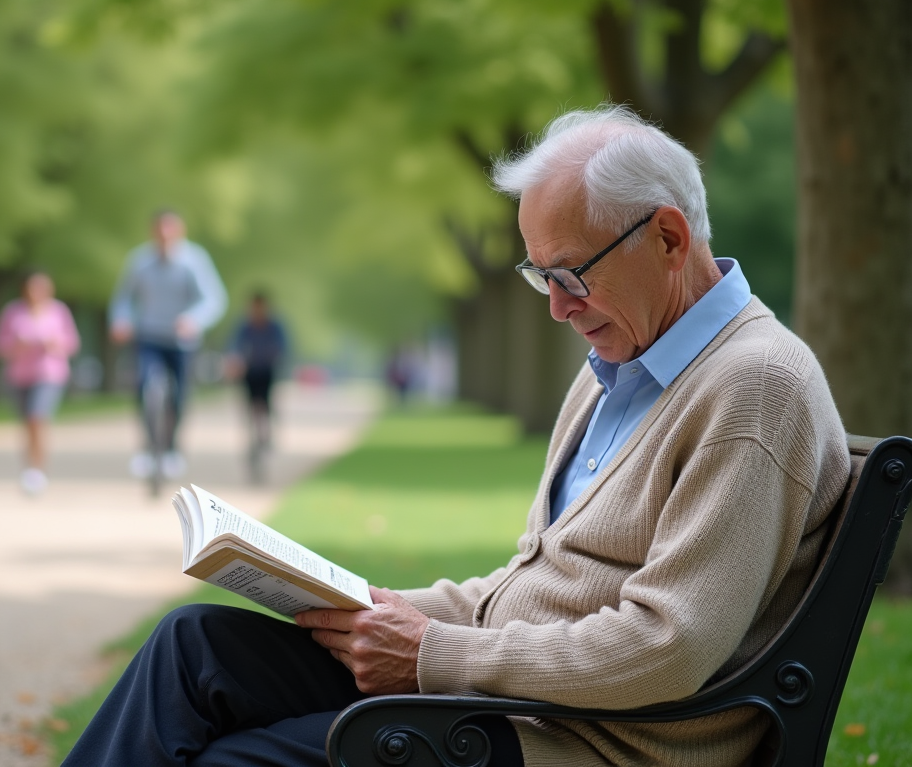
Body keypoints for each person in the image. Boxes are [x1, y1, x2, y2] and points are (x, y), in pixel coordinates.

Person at [63, 106, 850, 767]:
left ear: (670, 240)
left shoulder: (754, 386)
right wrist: (379, 608)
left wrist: (433, 655)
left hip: (589, 741)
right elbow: (536, 582)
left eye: (570, 273)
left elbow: (668, 645)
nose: (557, 306)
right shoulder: (618, 365)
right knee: (194, 644)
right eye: (540, 276)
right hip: (513, 697)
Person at [109, 210, 227, 480]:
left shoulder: (194, 261)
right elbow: (123, 298)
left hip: (181, 338)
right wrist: (121, 321)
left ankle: (172, 449)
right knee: (142, 385)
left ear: (179, 232)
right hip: (148, 335)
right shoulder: (139, 261)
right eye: (159, 232)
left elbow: (214, 299)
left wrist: (194, 320)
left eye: (170, 231)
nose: (164, 237)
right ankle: (147, 448)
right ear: (152, 233)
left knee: (179, 394)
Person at [0, 272, 81, 496]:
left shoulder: (59, 311)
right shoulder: (13, 312)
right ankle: (30, 466)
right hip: (19, 376)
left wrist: (54, 343)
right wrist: (16, 345)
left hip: (49, 375)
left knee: (37, 418)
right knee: (27, 424)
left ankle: (37, 470)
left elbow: (72, 343)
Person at [225, 291, 289, 455]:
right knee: (250, 402)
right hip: (250, 370)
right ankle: (252, 435)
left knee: (266, 401)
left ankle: (267, 434)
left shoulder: (275, 326)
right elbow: (234, 345)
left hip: (267, 369)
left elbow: (283, 347)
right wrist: (235, 361)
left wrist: (275, 356)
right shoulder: (244, 326)